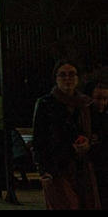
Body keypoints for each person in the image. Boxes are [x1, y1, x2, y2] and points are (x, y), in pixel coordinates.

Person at [32, 60, 100, 210]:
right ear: (56, 78)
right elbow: (39, 139)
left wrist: (88, 144)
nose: (67, 78)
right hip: (57, 168)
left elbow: (96, 133)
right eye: (62, 75)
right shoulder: (46, 104)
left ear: (77, 78)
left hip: (84, 168)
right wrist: (43, 170)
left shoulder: (86, 104)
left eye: (71, 74)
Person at [86, 79, 108, 208]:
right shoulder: (86, 117)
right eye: (98, 98)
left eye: (105, 99)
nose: (102, 103)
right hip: (92, 167)